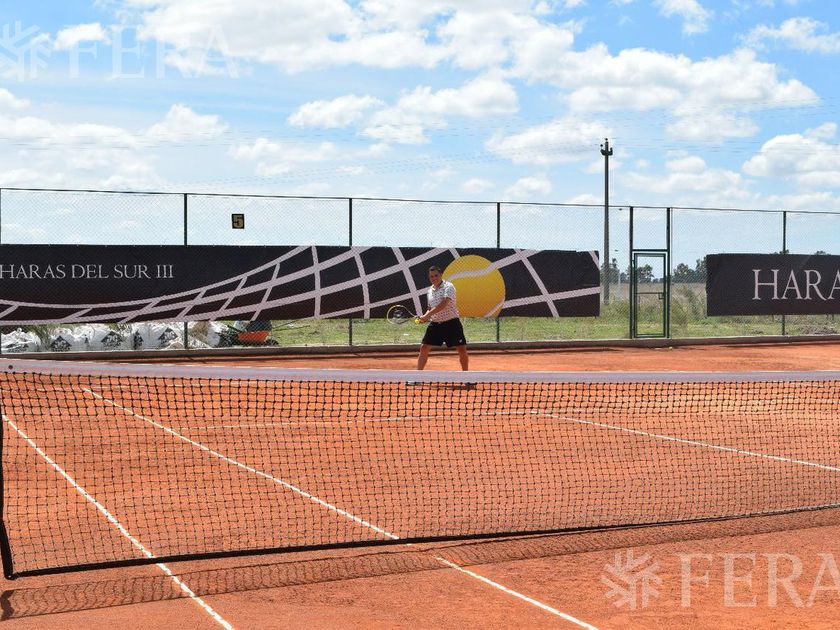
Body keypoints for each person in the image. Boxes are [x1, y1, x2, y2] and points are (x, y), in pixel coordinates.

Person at [416, 265, 469, 371]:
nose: (434, 278)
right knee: (424, 347)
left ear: (441, 275)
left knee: (461, 349)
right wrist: (424, 317)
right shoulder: (429, 291)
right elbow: (429, 308)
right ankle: (418, 376)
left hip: (452, 323)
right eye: (431, 276)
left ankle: (466, 376)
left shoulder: (449, 286)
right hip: (435, 324)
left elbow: (444, 304)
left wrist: (427, 315)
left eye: (436, 275)